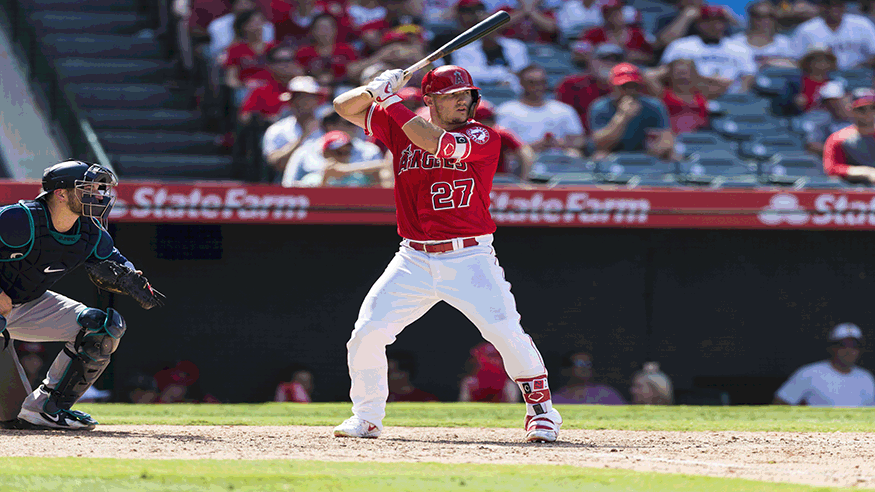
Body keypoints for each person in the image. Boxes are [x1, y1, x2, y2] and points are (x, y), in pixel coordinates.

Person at [331, 64, 563, 442]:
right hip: (413, 258)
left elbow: (438, 144)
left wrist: (389, 100)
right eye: (452, 95)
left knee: (505, 331)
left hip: (469, 257)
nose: (462, 101)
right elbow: (343, 106)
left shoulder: (483, 135)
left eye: (466, 95)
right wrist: (374, 88)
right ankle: (367, 416)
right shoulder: (399, 124)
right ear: (430, 100)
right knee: (367, 332)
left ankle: (543, 413)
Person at [0, 161, 164, 430]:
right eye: (87, 188)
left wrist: (134, 279)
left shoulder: (89, 231)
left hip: (26, 302)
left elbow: (119, 263)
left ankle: (45, 409)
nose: (98, 195)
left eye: (98, 189)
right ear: (60, 194)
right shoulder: (18, 219)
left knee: (102, 328)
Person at [661, 5, 756, 94]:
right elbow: (666, 72)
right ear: (698, 23)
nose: (713, 25)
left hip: (730, 96)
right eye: (707, 21)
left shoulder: (740, 48)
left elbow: (748, 76)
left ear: (725, 24)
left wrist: (738, 95)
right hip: (690, 96)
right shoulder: (680, 46)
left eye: (719, 21)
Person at [773, 323, 874, 406]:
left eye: (854, 346)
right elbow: (780, 403)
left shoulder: (866, 377)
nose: (849, 350)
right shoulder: (809, 373)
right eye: (842, 345)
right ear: (831, 347)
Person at [588, 63, 674, 160]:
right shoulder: (600, 106)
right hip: (613, 155)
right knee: (599, 156)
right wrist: (622, 117)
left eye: (634, 86)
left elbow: (667, 139)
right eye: (624, 86)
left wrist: (659, 148)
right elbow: (600, 145)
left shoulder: (654, 105)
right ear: (612, 86)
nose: (630, 91)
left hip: (647, 154)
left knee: (673, 155)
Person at [495, 64, 585, 155]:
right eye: (532, 82)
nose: (538, 86)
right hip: (523, 158)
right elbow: (502, 145)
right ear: (521, 83)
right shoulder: (506, 110)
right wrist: (537, 146)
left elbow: (579, 140)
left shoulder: (564, 109)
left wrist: (559, 143)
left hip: (559, 157)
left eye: (542, 82)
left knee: (574, 153)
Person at [451, 0, 530, 92]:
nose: (487, 31)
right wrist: (504, 74)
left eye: (491, 26)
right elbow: (465, 75)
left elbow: (523, 74)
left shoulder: (517, 47)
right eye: (483, 27)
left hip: (514, 96)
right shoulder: (463, 50)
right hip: (480, 96)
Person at [262, 75, 327, 181]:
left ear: (317, 101)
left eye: (308, 98)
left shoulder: (329, 125)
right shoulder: (277, 129)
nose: (304, 103)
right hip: (288, 182)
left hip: (325, 180)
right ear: (291, 101)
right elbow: (277, 164)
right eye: (299, 98)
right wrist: (303, 137)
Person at [556, 44, 624, 135]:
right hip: (581, 138)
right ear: (591, 61)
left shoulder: (628, 87)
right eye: (604, 58)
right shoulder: (571, 84)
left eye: (616, 60)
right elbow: (562, 117)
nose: (609, 63)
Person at [792, 0, 875, 70]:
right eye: (829, 5)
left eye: (838, 5)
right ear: (821, 7)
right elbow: (796, 60)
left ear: (844, 6)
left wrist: (864, 65)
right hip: (823, 77)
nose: (834, 8)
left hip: (859, 74)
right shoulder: (806, 29)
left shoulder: (862, 24)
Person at [295, 130, 390, 187]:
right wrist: (325, 179)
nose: (343, 155)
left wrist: (345, 169)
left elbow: (386, 165)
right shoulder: (312, 178)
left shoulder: (361, 177)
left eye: (347, 152)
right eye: (338, 152)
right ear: (325, 153)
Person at [643, 58, 711, 135]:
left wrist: (699, 75)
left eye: (686, 72)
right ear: (670, 74)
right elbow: (647, 75)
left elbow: (725, 82)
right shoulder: (663, 93)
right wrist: (666, 70)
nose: (683, 76)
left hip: (701, 139)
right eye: (679, 73)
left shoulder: (701, 93)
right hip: (673, 138)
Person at [823, 88, 875, 184]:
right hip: (851, 192)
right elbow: (831, 168)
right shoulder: (838, 139)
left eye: (873, 108)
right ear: (852, 110)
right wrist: (865, 171)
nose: (868, 113)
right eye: (861, 109)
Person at [474, 99, 534, 179]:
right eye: (481, 121)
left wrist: (523, 180)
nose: (486, 125)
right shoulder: (462, 135)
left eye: (489, 120)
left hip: (498, 179)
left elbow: (525, 153)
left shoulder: (500, 134)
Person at [729, 1, 795, 69]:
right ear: (751, 18)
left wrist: (769, 62)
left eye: (770, 16)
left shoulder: (783, 42)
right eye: (759, 16)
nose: (766, 20)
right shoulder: (735, 42)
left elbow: (794, 65)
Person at [552, 351, 626, 404]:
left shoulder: (606, 394)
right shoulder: (556, 399)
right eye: (580, 364)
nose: (585, 368)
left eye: (588, 364)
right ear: (566, 369)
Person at [804, 81, 852, 157]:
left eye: (837, 100)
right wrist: (843, 152)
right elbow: (813, 145)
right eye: (828, 101)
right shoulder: (819, 119)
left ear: (848, 97)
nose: (833, 104)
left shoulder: (861, 114)